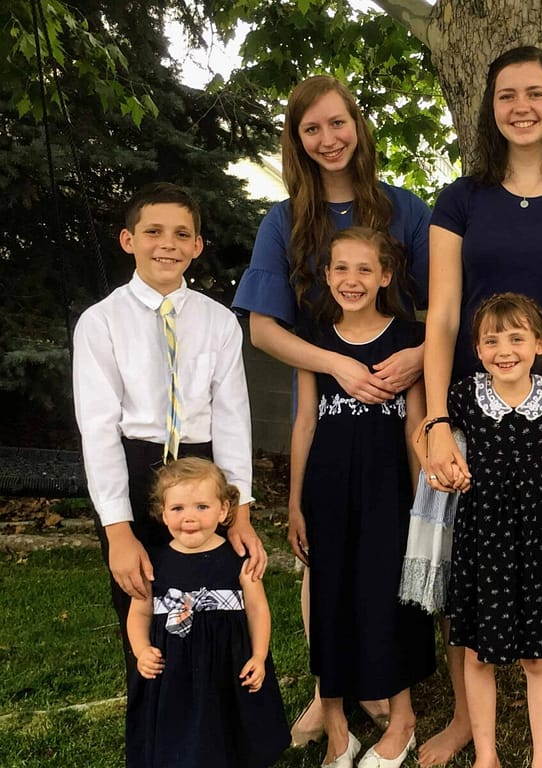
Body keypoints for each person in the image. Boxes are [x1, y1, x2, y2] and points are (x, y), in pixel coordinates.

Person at [421, 46, 542, 768]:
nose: (522, 107)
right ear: (490, 108)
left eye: (535, 93)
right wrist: (435, 422)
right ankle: (471, 729)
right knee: (468, 570)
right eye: (507, 95)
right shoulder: (462, 199)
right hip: (471, 411)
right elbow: (443, 315)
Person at [231, 74, 431, 743]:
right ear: (297, 140)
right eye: (310, 128)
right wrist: (339, 364)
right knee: (325, 566)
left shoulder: (405, 209)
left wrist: (420, 357)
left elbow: (446, 309)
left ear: (357, 124)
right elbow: (263, 329)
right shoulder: (285, 221)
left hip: (399, 415)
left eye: (336, 123)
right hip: (324, 415)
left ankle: (385, 688)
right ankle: (329, 694)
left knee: (386, 558)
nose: (327, 139)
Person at [73, 182, 266, 681]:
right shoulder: (101, 323)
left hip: (204, 474)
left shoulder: (219, 322)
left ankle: (217, 720)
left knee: (218, 606)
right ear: (127, 240)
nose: (168, 244)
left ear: (197, 246)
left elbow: (232, 417)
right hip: (136, 468)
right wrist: (118, 530)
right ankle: (157, 723)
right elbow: (97, 429)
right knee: (144, 608)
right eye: (153, 231)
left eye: (182, 234)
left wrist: (239, 509)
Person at [436, 293, 542, 768]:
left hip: (536, 539)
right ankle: (486, 755)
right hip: (482, 537)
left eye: (516, 338)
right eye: (491, 341)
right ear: (477, 348)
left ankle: (540, 757)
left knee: (539, 657)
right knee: (478, 655)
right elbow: (429, 436)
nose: (504, 350)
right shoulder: (465, 395)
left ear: (539, 344)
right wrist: (436, 463)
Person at [288, 227, 435, 768]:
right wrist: (295, 502)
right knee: (329, 600)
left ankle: (403, 720)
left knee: (388, 600)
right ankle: (337, 730)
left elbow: (415, 423)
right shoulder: (314, 337)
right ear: (326, 275)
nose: (352, 280)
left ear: (386, 277)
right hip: (327, 489)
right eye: (341, 269)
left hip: (387, 490)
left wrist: (425, 503)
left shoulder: (405, 341)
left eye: (364, 269)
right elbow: (305, 422)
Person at [125, 458, 289, 768]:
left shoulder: (238, 559)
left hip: (227, 666)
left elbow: (257, 608)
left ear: (224, 509)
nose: (189, 518)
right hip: (174, 673)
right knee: (179, 734)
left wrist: (259, 655)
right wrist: (141, 650)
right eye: (178, 509)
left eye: (202, 507)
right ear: (163, 513)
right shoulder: (153, 564)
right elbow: (140, 614)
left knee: (228, 729)